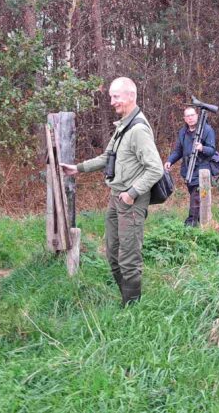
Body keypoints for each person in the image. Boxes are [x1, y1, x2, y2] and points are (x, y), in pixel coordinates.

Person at [62, 77, 163, 306]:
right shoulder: (123, 127)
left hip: (130, 202)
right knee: (113, 253)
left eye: (115, 96)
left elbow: (155, 168)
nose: (111, 102)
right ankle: (125, 299)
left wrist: (131, 193)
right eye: (111, 96)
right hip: (115, 198)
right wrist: (77, 168)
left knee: (128, 258)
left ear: (130, 96)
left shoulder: (138, 129)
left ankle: (132, 308)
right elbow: (107, 157)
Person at [165, 106, 217, 227]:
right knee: (197, 197)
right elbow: (178, 151)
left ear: (197, 116)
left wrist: (202, 148)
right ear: (184, 118)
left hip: (202, 170)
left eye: (192, 115)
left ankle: (190, 224)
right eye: (187, 116)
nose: (190, 118)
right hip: (188, 170)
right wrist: (169, 161)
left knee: (196, 197)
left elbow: (212, 150)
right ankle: (202, 222)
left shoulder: (207, 130)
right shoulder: (183, 132)